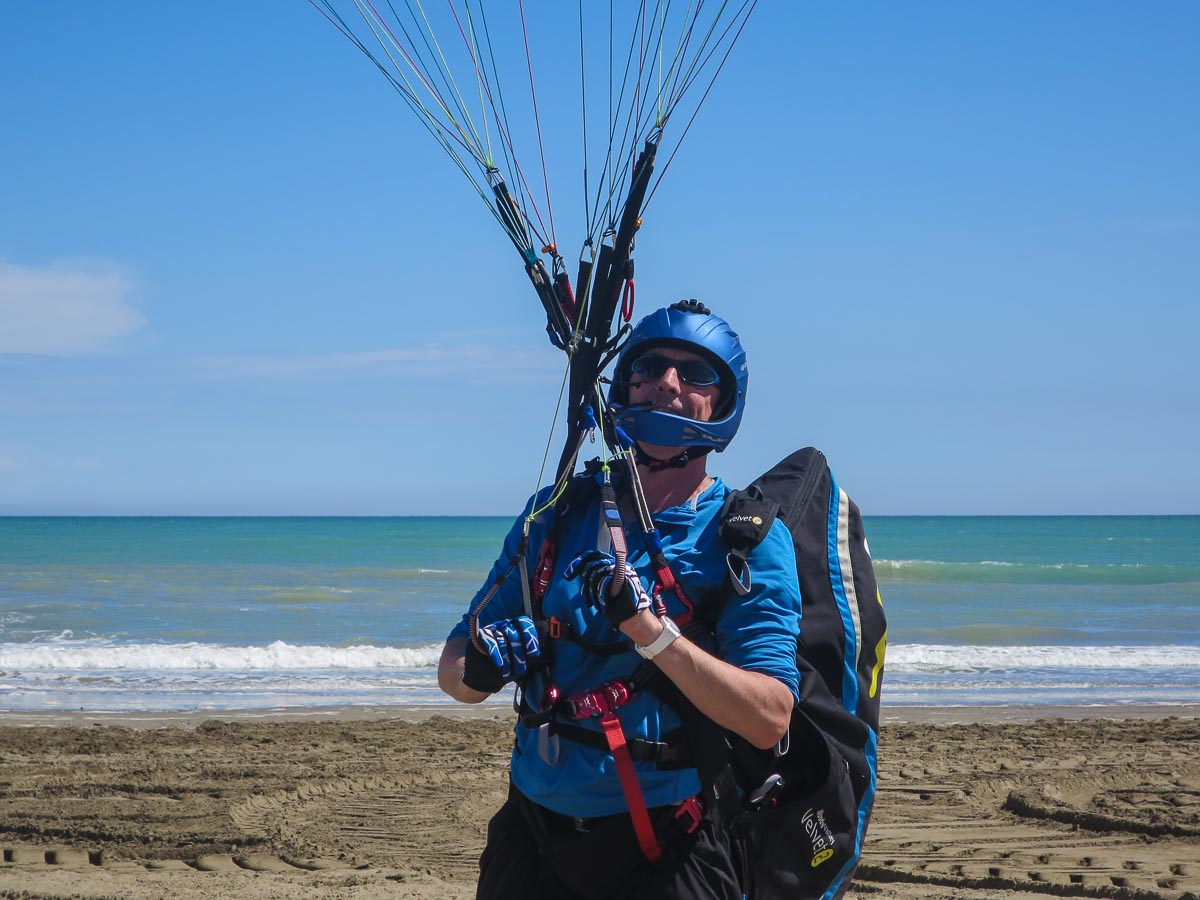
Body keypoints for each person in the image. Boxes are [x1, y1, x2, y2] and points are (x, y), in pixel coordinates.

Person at [438, 300, 803, 900]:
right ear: (625, 386)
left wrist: (653, 633)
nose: (668, 383)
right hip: (533, 833)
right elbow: (455, 667)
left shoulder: (744, 538)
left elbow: (769, 720)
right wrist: (476, 667)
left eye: (696, 374)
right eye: (650, 367)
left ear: (723, 402)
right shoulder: (556, 513)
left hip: (670, 841)